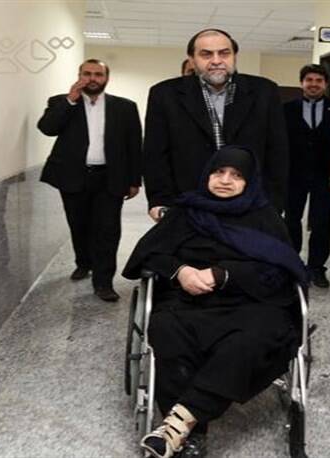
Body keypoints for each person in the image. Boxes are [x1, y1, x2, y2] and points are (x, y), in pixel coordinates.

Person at [123, 146, 307, 458]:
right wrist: (180, 271)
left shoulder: (265, 217)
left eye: (236, 175)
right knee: (167, 330)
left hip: (251, 302)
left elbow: (282, 270)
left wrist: (224, 274)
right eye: (218, 172)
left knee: (254, 340)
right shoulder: (185, 212)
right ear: (207, 175)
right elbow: (149, 254)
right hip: (187, 299)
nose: (225, 180)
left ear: (249, 181)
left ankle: (180, 424)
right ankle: (192, 430)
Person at [144, 28, 289, 221]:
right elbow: (155, 153)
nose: (216, 60)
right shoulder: (164, 94)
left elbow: (277, 151)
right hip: (187, 200)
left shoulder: (265, 91)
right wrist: (159, 200)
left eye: (224, 53)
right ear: (192, 59)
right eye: (206, 54)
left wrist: (274, 203)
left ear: (234, 56)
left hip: (250, 203)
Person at [38, 59, 142, 302]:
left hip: (110, 178)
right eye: (87, 74)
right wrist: (70, 100)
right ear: (79, 75)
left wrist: (134, 179)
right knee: (79, 225)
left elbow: (135, 144)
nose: (92, 78)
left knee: (108, 230)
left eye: (98, 74)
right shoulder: (61, 102)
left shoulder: (125, 107)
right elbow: (47, 128)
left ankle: (103, 283)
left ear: (107, 78)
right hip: (73, 177)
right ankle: (84, 262)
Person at [283, 64, 330, 288]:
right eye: (309, 80)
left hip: (325, 177)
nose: (313, 84)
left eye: (319, 80)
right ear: (302, 82)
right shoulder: (285, 109)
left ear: (326, 84)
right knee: (291, 221)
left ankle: (317, 268)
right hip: (293, 176)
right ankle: (292, 265)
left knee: (322, 223)